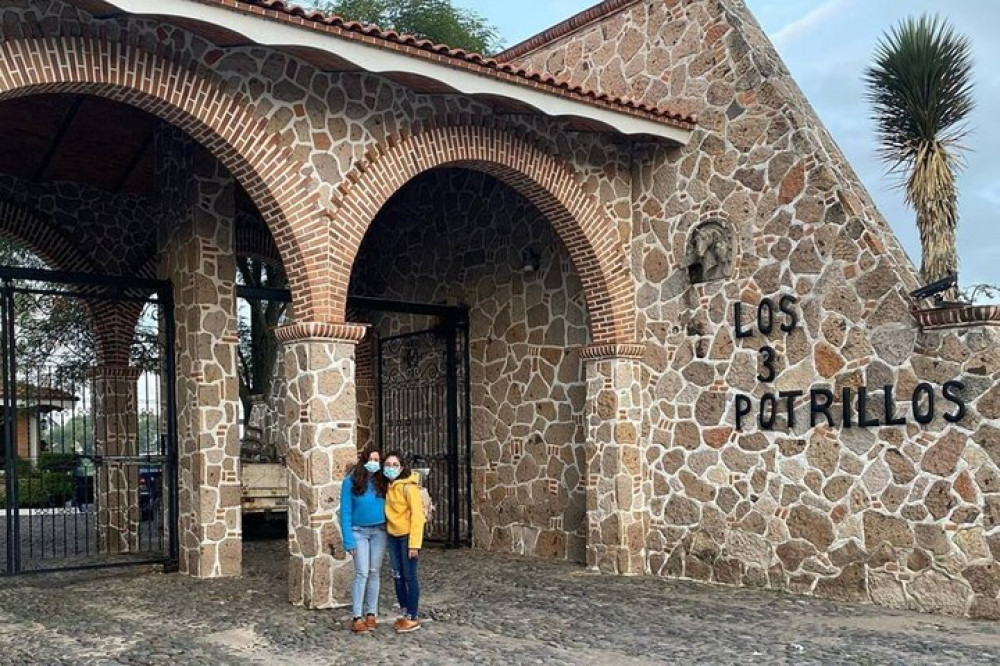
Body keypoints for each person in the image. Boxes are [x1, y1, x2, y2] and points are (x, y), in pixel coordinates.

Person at [340, 442, 389, 633]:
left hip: (379, 531)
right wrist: (348, 539)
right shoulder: (350, 481)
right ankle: (357, 615)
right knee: (362, 573)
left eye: (377, 460)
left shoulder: (382, 481)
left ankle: (372, 613)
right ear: (364, 460)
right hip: (358, 531)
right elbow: (345, 512)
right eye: (371, 459)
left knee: (374, 571)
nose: (374, 463)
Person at [383, 450, 425, 633]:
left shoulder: (409, 488)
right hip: (393, 536)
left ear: (401, 467)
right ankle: (405, 611)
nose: (390, 468)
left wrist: (414, 544)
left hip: (407, 536)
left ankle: (413, 616)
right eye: (388, 465)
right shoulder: (388, 487)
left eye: (394, 465)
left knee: (409, 576)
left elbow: (418, 516)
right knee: (397, 576)